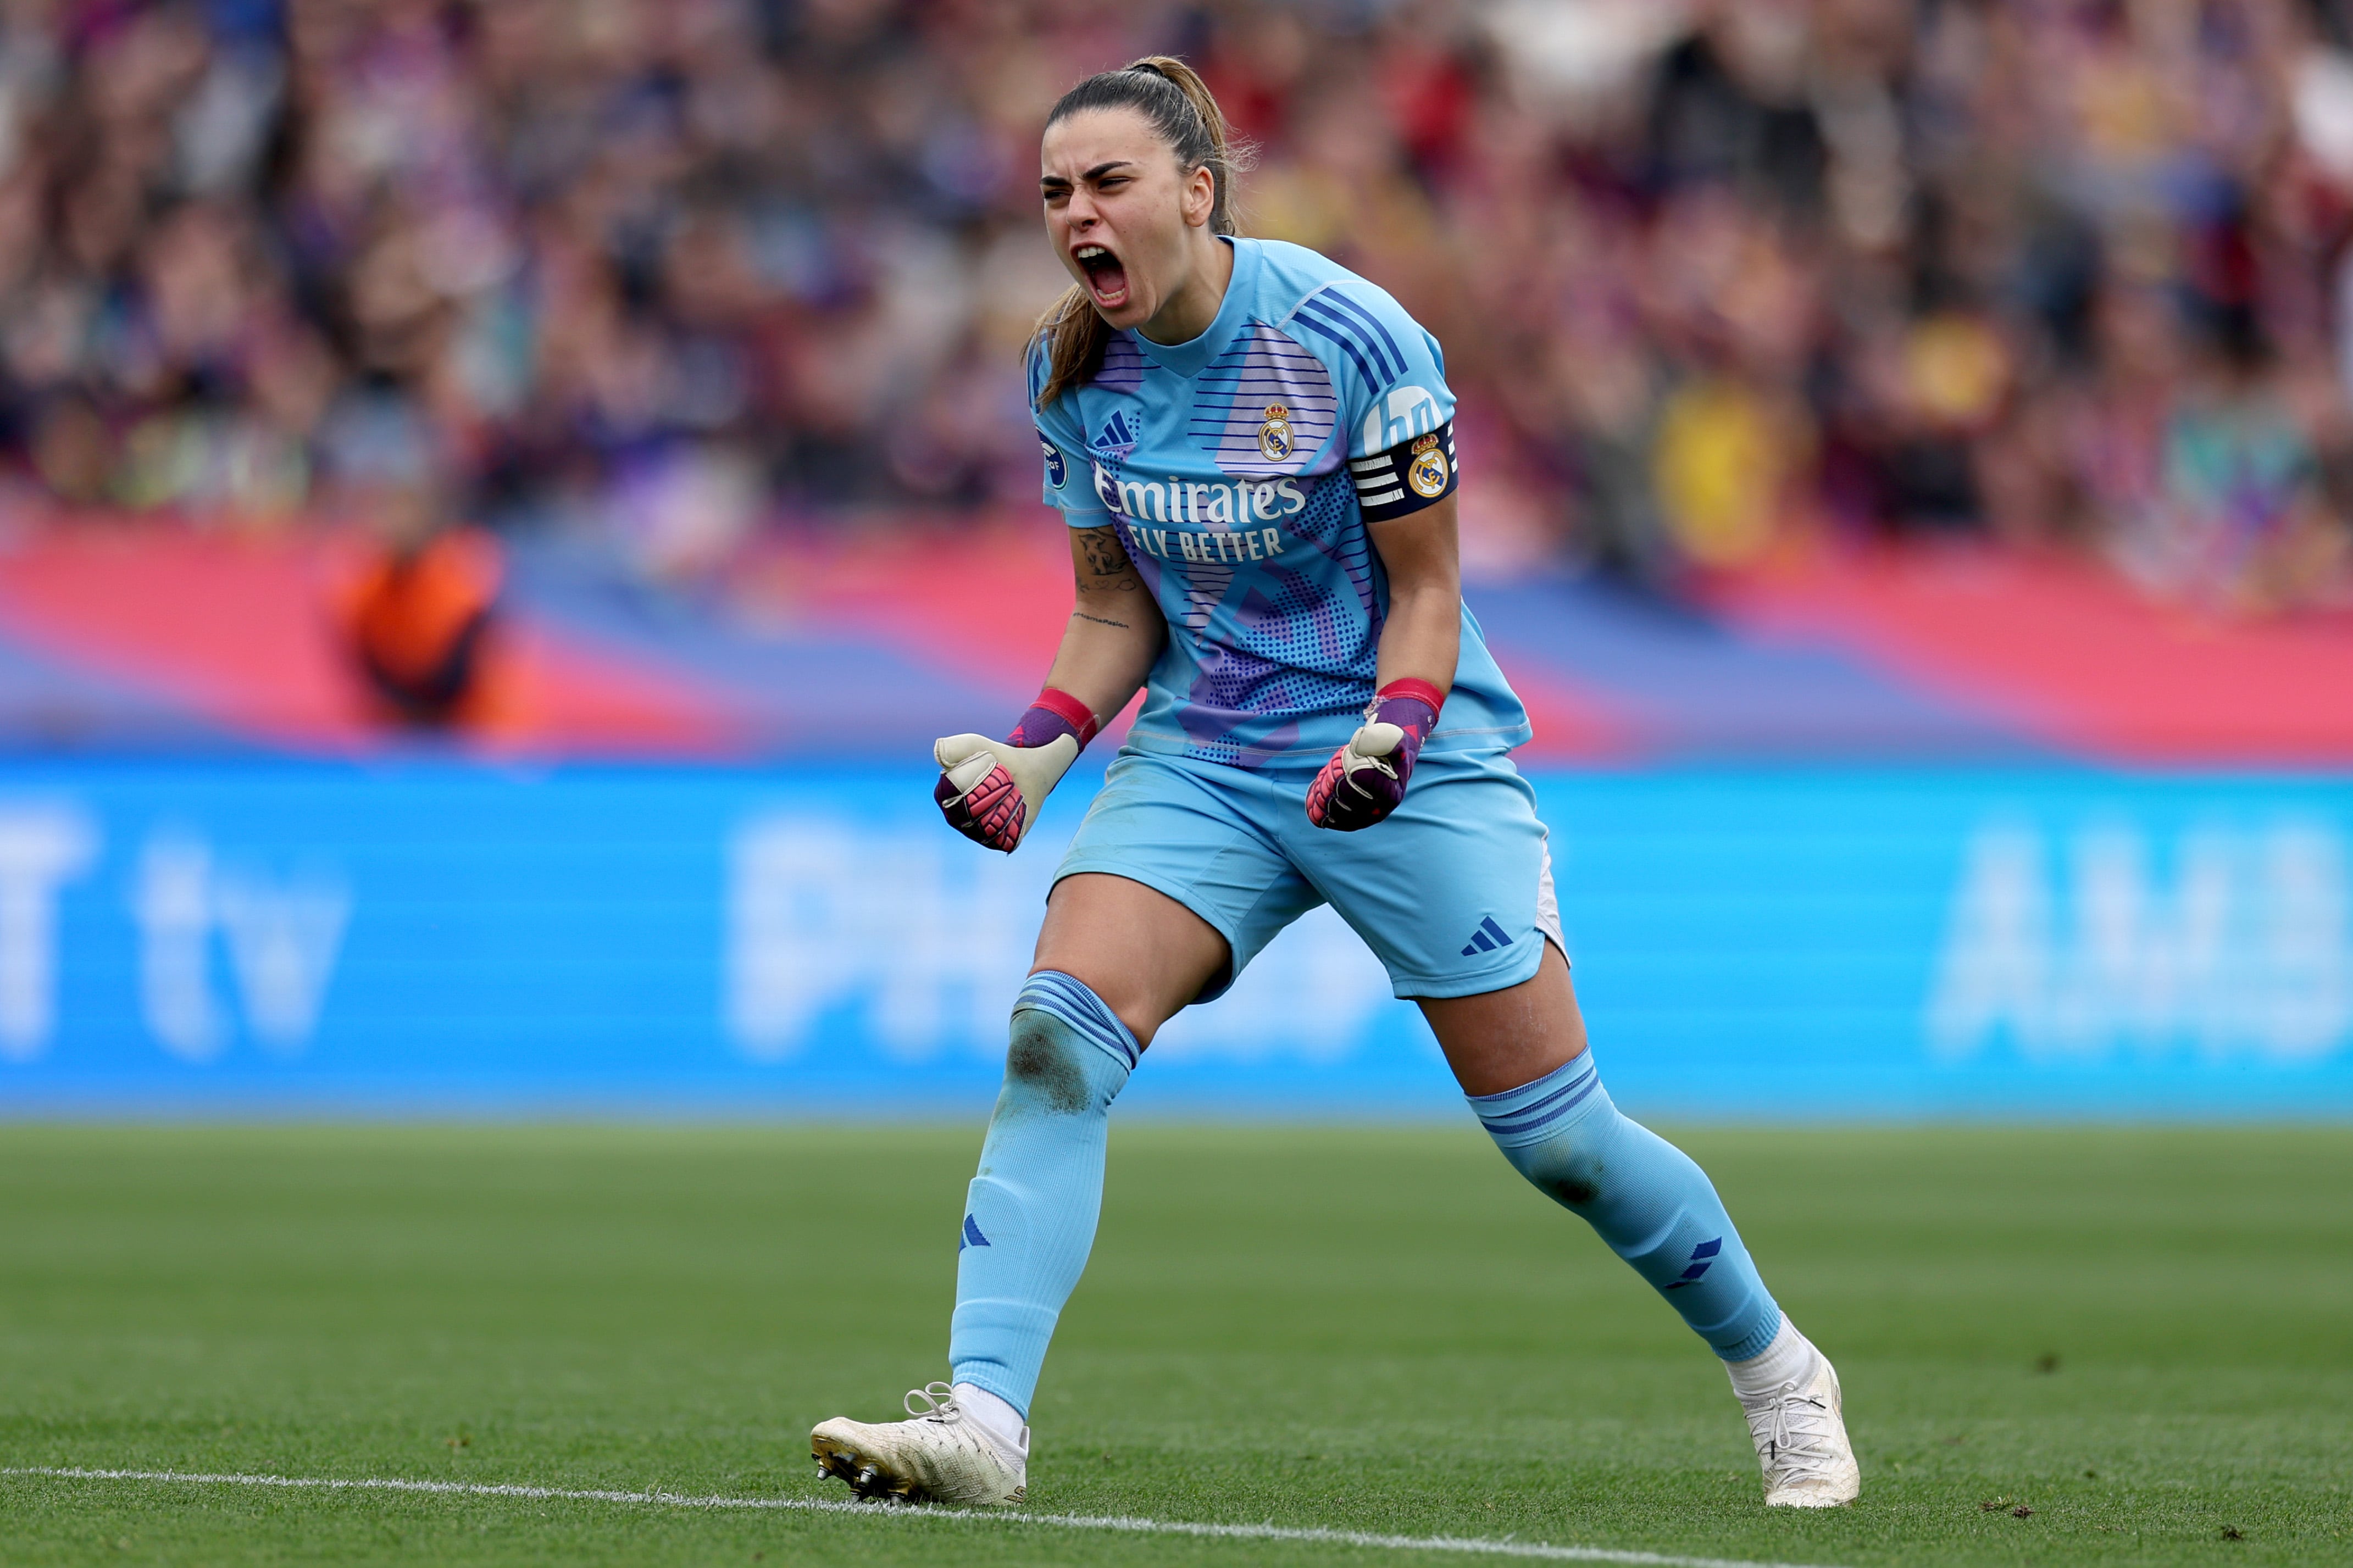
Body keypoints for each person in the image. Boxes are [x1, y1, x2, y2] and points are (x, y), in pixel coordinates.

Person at [810, 57, 1859, 1513]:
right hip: (1207, 758)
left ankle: (1777, 1368)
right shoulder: (1070, 372)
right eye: (1053, 192)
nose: (1075, 216)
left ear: (1196, 189)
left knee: (1559, 1142)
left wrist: (1397, 730)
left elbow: (1427, 591)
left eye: (1107, 183)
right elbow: (1116, 613)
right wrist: (1035, 753)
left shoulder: (1348, 336)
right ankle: (985, 1423)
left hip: (1404, 758)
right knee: (1054, 1040)